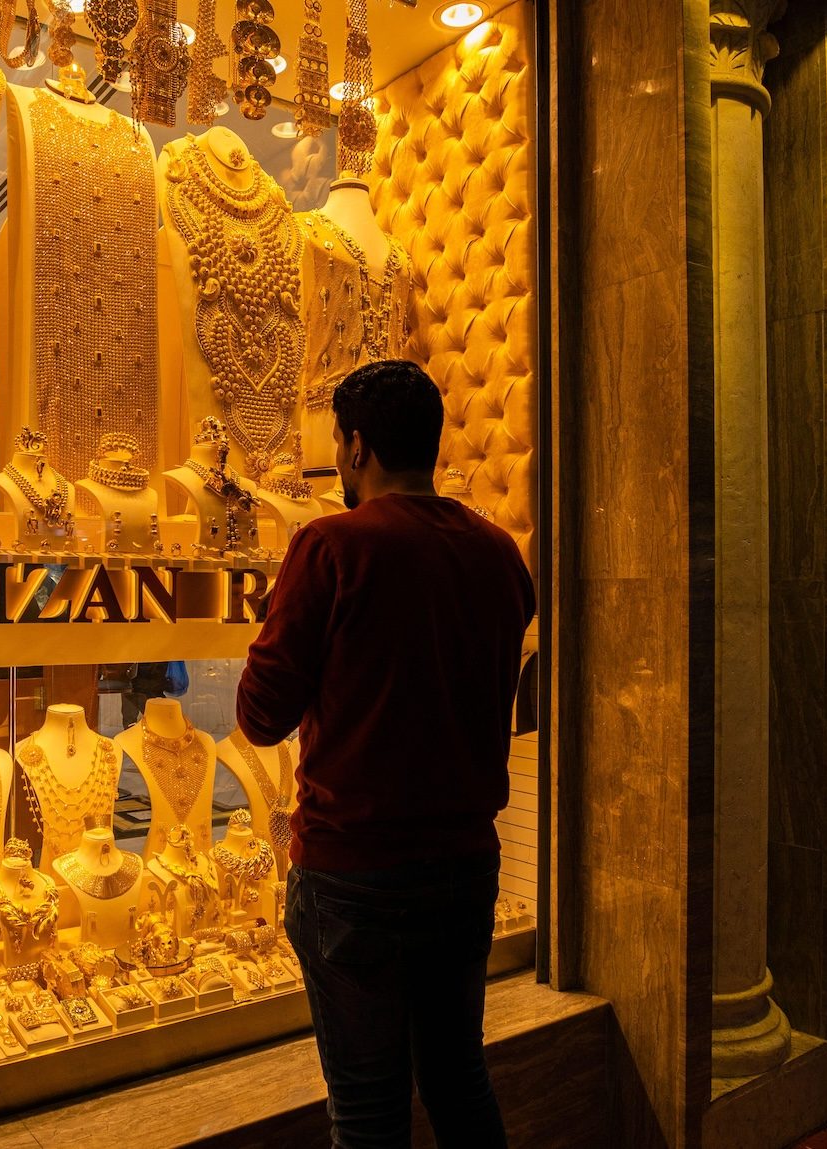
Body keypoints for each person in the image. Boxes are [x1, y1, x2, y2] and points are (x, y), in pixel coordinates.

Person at [237, 359, 535, 1148]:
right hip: (465, 866)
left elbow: (259, 715)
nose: (336, 459)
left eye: (337, 442)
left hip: (354, 877)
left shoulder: (330, 546)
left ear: (357, 445)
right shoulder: (500, 553)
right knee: (456, 1077)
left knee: (367, 1108)